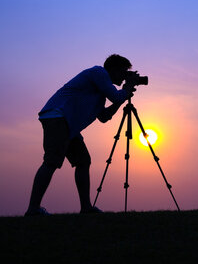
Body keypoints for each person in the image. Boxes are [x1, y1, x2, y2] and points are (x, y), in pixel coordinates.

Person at [25, 54, 135, 216]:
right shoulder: (99, 73)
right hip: (58, 117)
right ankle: (33, 209)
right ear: (113, 69)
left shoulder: (100, 91)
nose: (125, 76)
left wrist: (123, 96)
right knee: (51, 162)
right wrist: (125, 92)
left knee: (83, 161)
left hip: (68, 124)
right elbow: (116, 96)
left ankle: (86, 208)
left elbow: (103, 117)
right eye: (123, 72)